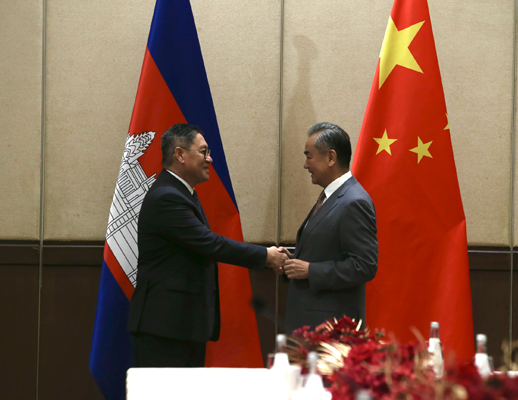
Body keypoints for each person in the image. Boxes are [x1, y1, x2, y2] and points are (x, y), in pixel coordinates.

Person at [127, 123, 287, 368]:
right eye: (203, 152)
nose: (210, 159)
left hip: (181, 325)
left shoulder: (181, 192)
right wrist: (265, 256)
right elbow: (209, 243)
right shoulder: (167, 197)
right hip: (164, 328)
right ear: (180, 154)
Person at [283, 122, 378, 334]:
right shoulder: (331, 196)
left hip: (331, 329)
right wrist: (290, 261)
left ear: (331, 157)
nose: (305, 165)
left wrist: (311, 270)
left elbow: (364, 265)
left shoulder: (354, 201)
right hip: (312, 324)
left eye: (309, 156)